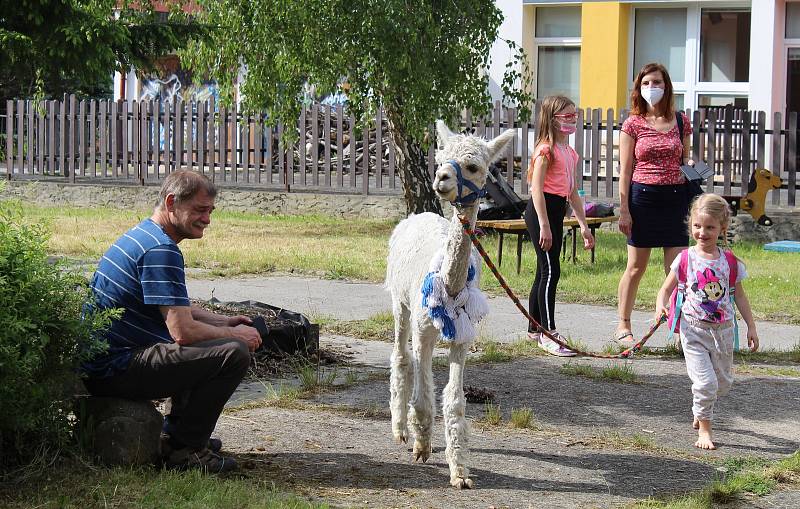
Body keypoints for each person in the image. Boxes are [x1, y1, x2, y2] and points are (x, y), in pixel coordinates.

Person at [82, 169, 263, 472]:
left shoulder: (145, 235)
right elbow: (183, 332)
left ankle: (176, 433)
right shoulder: (160, 250)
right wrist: (236, 338)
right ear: (171, 202)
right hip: (114, 369)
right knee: (232, 354)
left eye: (210, 211)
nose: (207, 219)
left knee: (219, 341)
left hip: (105, 363)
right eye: (200, 210)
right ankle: (184, 450)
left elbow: (175, 309)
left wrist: (224, 322)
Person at [654, 194, 759, 450]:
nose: (702, 232)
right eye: (697, 226)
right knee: (705, 383)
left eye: (710, 227)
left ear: (722, 228)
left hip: (723, 332)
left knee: (722, 384)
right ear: (691, 225)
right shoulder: (685, 259)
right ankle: (704, 429)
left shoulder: (729, 261)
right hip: (693, 331)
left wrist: (751, 326)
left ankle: (701, 407)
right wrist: (661, 306)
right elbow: (665, 290)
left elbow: (740, 297)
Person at [615, 62, 695, 345]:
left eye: (657, 82)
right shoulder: (633, 124)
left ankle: (677, 325)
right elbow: (625, 171)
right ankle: (623, 324)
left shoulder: (682, 122)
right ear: (639, 88)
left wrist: (697, 173)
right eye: (646, 83)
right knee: (636, 266)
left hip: (675, 200)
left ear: (667, 86)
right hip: (643, 199)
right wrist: (624, 210)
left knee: (677, 269)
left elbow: (686, 163)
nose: (652, 88)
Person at [524, 95, 595, 356]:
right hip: (541, 211)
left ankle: (533, 328)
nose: (572, 120)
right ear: (552, 120)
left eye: (574, 115)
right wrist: (544, 225)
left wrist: (584, 226)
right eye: (566, 116)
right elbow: (536, 190)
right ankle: (548, 333)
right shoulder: (545, 150)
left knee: (543, 270)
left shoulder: (570, 152)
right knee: (551, 271)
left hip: (556, 211)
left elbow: (572, 192)